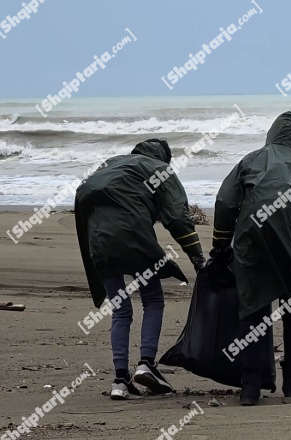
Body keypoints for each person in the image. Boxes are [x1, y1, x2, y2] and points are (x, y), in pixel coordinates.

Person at [75, 138, 205, 400]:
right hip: (135, 242)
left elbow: (83, 195)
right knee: (153, 299)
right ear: (164, 157)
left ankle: (120, 380)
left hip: (98, 241)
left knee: (120, 310)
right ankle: (146, 364)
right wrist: (198, 258)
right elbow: (177, 217)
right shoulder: (160, 169)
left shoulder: (112, 165)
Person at [212, 111, 291, 405]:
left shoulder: (250, 160)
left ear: (271, 134)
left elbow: (224, 202)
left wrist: (220, 244)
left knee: (253, 310)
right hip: (290, 244)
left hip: (252, 242)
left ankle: (250, 387)